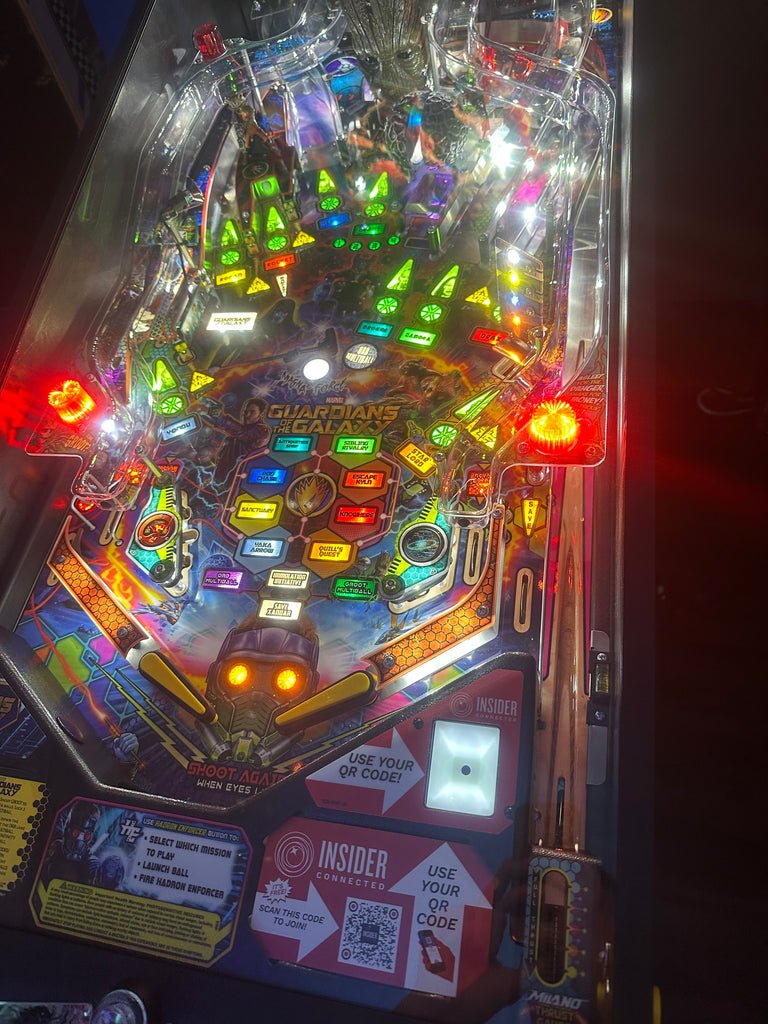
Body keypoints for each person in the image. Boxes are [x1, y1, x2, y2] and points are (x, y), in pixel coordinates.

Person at [213, 397, 270, 487]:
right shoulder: (239, 433)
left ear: (261, 414)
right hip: (224, 479)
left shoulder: (262, 431)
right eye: (245, 411)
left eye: (252, 412)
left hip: (239, 479)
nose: (247, 414)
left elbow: (243, 433)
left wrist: (222, 420)